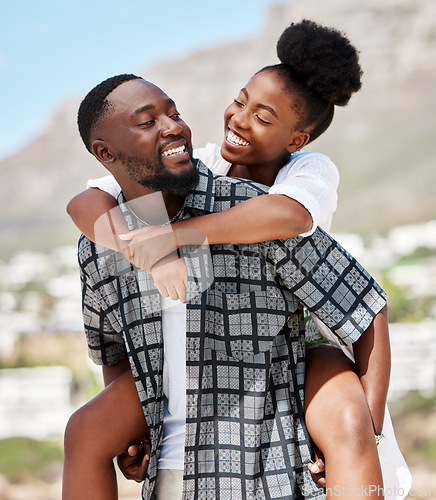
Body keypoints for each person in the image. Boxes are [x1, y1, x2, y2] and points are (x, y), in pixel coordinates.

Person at [66, 20, 411, 498]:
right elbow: (89, 202)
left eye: (265, 118)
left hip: (312, 333)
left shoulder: (304, 176)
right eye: (241, 100)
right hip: (194, 358)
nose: (240, 119)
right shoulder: (192, 163)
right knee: (84, 429)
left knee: (347, 419)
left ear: (296, 140)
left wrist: (172, 239)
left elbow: (287, 216)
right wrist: (143, 249)